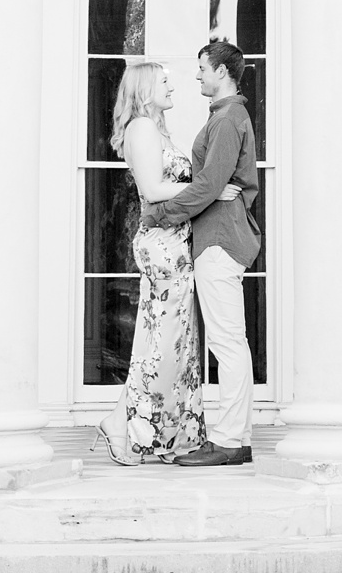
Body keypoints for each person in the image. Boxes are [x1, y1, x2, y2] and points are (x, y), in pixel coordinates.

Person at [141, 37, 262, 467]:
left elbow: (211, 185)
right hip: (218, 236)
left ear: (222, 72)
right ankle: (237, 439)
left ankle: (229, 442)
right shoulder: (225, 117)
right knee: (231, 341)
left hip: (220, 240)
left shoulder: (229, 118)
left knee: (227, 343)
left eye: (202, 68)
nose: (197, 75)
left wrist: (163, 214)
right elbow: (213, 184)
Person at [96, 60, 204, 466]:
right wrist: (207, 188)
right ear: (144, 90)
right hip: (162, 247)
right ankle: (124, 426)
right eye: (164, 82)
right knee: (161, 344)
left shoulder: (156, 129)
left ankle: (148, 431)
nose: (171, 87)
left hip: (175, 243)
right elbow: (153, 189)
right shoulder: (141, 128)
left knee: (168, 344)